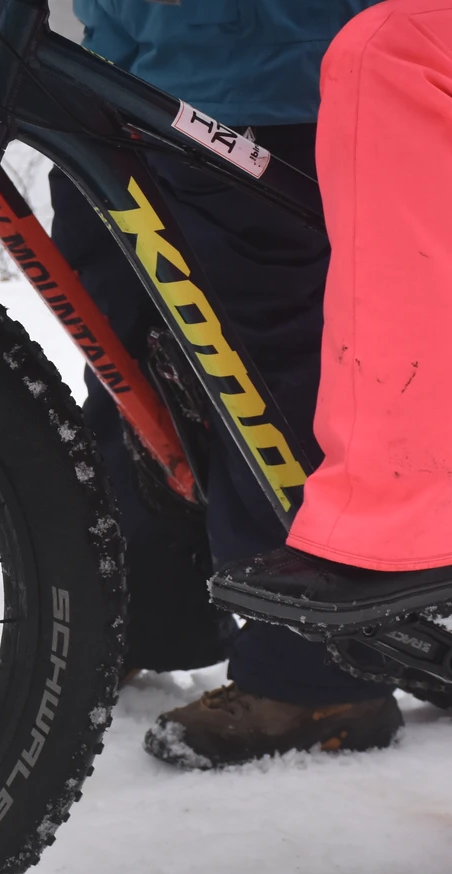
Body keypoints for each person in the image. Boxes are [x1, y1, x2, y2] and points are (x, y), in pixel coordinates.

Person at [52, 0, 394, 770]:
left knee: (262, 374)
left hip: (265, 75)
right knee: (130, 363)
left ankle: (318, 672)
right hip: (118, 68)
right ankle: (157, 613)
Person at [212, 0, 452, 629]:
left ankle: (405, 517)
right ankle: (141, 616)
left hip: (270, 63)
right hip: (166, 49)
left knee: (397, 50)